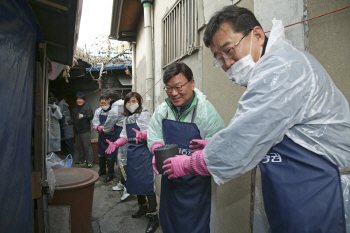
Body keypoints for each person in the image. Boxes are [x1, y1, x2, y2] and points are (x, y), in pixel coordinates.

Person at [162, 5, 350, 233]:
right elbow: (257, 133)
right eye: (219, 58)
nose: (227, 63)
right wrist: (216, 146)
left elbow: (244, 138)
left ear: (258, 36)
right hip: (295, 192)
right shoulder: (274, 67)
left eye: (229, 50)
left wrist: (193, 163)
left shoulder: (281, 69)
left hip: (322, 189)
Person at [147, 62, 225, 233]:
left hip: (197, 188)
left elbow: (220, 146)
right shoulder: (163, 110)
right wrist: (157, 150)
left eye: (179, 87)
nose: (174, 93)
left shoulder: (206, 112)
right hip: (170, 183)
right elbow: (153, 133)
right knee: (169, 224)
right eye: (168, 88)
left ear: (192, 83)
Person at [105, 92, 159, 233]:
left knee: (147, 182)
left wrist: (143, 135)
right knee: (134, 181)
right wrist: (116, 143)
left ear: (139, 102)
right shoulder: (127, 118)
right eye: (128, 102)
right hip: (132, 153)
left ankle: (153, 215)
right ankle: (142, 207)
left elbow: (151, 131)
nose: (130, 105)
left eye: (133, 101)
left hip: (144, 152)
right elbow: (124, 135)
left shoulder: (145, 115)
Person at [103, 90, 129, 198]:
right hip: (130, 134)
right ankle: (123, 182)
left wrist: (102, 128)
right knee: (126, 159)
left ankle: (128, 187)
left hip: (121, 134)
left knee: (122, 161)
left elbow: (107, 127)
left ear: (109, 99)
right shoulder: (125, 104)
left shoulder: (114, 109)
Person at [92, 94, 117, 182]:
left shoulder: (114, 111)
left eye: (104, 103)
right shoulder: (98, 111)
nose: (103, 105)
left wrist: (110, 128)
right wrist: (97, 127)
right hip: (102, 136)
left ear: (109, 101)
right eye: (101, 103)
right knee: (101, 154)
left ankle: (110, 173)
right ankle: (102, 170)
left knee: (110, 155)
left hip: (111, 136)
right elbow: (95, 121)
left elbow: (116, 122)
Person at [65, 93, 94, 168]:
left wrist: (83, 116)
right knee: (79, 147)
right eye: (78, 99)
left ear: (84, 100)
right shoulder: (75, 109)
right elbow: (73, 119)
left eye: (81, 99)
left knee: (87, 147)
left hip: (85, 131)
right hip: (77, 132)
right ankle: (81, 161)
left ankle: (90, 162)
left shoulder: (87, 108)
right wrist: (67, 123)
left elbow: (91, 116)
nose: (79, 100)